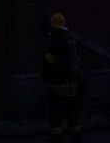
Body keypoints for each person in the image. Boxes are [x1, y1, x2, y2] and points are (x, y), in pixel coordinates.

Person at [42, 13, 81, 142]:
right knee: (72, 112)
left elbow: (48, 62)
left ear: (52, 29)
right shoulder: (69, 41)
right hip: (71, 84)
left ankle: (56, 136)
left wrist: (44, 74)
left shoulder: (53, 42)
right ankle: (76, 135)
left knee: (55, 111)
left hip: (57, 85)